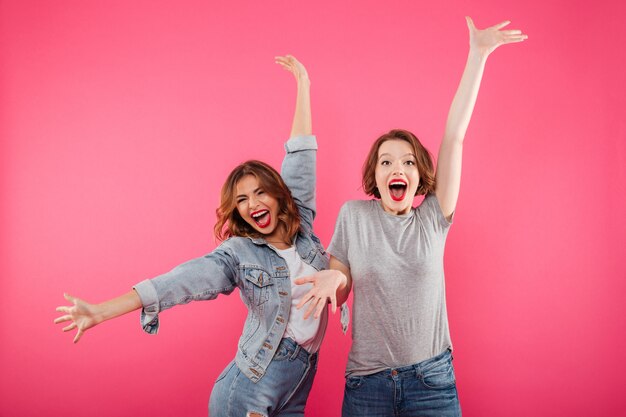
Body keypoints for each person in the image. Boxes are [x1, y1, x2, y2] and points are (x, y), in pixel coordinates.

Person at [55, 55, 333, 417]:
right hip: (250, 387)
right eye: (242, 200)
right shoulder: (239, 254)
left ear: (280, 196)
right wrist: (100, 311)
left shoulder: (303, 226)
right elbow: (179, 282)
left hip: (298, 381)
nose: (252, 204)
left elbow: (301, 154)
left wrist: (304, 85)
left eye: (260, 193)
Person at [294, 17, 528, 416]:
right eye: (386, 161)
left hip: (431, 383)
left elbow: (454, 136)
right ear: (376, 175)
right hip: (367, 384)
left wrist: (477, 56)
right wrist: (335, 277)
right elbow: (342, 289)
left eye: (406, 161)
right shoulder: (354, 216)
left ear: (420, 176)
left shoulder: (433, 218)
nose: (396, 168)